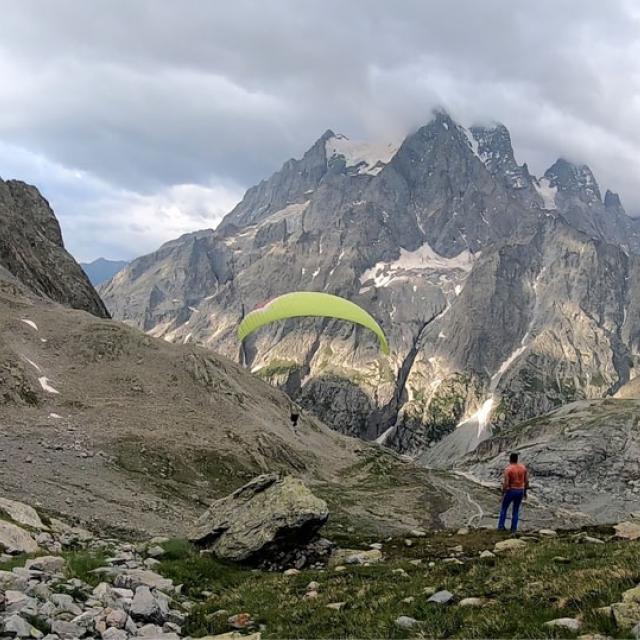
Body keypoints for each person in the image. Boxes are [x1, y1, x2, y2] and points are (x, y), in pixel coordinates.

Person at [498, 452, 529, 533]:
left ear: (510, 459)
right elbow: (526, 481)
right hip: (520, 490)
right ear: (517, 459)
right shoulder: (523, 468)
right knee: (516, 510)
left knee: (504, 508)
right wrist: (525, 492)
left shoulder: (508, 469)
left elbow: (506, 483)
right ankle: (513, 529)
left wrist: (503, 493)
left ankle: (501, 527)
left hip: (511, 490)